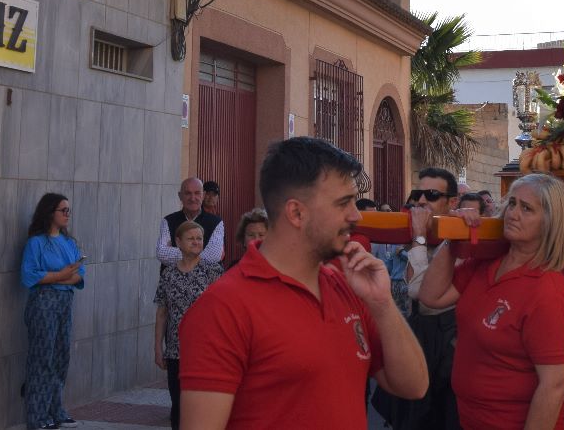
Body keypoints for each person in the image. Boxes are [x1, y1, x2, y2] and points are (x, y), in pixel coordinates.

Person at [177, 136, 427, 429]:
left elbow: (414, 386)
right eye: (344, 203)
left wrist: (382, 303)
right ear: (296, 212)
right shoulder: (222, 308)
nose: (356, 215)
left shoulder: (347, 285)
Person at [415, 173, 564, 430]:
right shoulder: (486, 264)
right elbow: (431, 297)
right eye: (512, 203)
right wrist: (453, 236)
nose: (513, 214)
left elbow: (555, 384)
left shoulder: (547, 292)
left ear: (549, 222)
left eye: (527, 208)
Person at [376, 166, 462, 430]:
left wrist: (420, 238)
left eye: (432, 194)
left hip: (447, 341)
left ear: (452, 203)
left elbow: (419, 292)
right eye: (418, 193)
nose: (421, 200)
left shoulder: (460, 239)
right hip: (418, 332)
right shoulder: (413, 236)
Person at [21, 192, 84, 430]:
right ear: (50, 213)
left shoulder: (69, 243)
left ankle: (56, 410)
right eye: (63, 210)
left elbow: (78, 275)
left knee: (60, 357)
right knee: (42, 358)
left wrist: (56, 278)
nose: (67, 215)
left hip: (65, 303)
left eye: (69, 210)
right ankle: (37, 416)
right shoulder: (36, 242)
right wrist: (61, 276)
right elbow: (30, 276)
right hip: (43, 304)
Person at [155, 220, 223, 430]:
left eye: (199, 238)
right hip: (176, 351)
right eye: (191, 238)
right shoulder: (168, 274)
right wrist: (158, 348)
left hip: (205, 352)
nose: (196, 242)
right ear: (178, 242)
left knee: (202, 408)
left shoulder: (213, 272)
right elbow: (162, 314)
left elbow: (224, 312)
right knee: (178, 406)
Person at [158, 178, 224, 266]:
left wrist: (178, 253)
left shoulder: (216, 222)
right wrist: (198, 253)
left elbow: (213, 255)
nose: (193, 198)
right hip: (174, 279)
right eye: (188, 193)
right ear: (180, 196)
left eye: (197, 193)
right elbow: (161, 252)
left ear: (203, 195)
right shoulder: (168, 221)